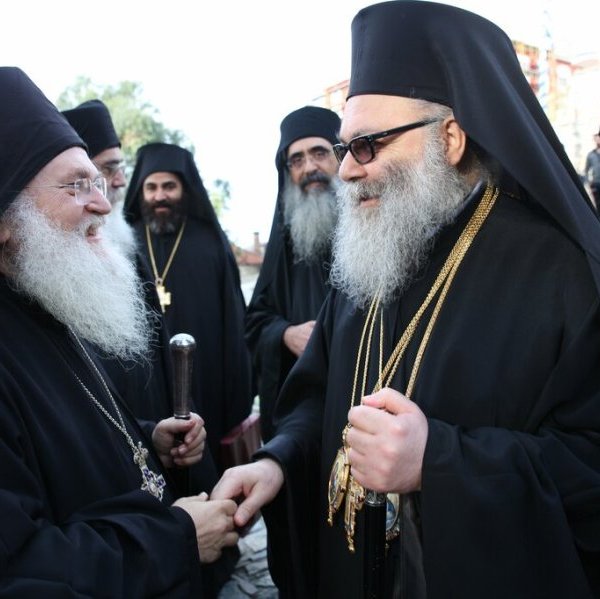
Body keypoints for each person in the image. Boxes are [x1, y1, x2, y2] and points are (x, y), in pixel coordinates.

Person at [212, 2, 600, 598]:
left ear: (450, 137)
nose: (346, 170)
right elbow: (318, 394)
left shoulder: (560, 271)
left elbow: (588, 465)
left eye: (368, 145)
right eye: (345, 147)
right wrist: (279, 461)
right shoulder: (371, 253)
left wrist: (438, 460)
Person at [0, 66, 238, 596]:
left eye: (99, 181)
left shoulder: (45, 300)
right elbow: (19, 570)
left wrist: (146, 438)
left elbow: (64, 437)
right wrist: (175, 538)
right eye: (76, 185)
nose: (104, 204)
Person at [62, 100, 237, 597]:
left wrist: (148, 434)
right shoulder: (61, 268)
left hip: (153, 431)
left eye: (118, 170)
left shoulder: (119, 244)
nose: (117, 185)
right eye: (104, 171)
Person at [123, 143, 253, 473]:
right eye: (151, 187)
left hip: (206, 380)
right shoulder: (126, 242)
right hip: (146, 385)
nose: (160, 196)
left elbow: (233, 320)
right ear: (141, 191)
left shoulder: (209, 242)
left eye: (169, 186)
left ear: (184, 189)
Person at [245, 106, 341, 441]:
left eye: (319, 153)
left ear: (342, 156)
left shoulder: (376, 226)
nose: (309, 167)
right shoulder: (285, 244)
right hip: (306, 418)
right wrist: (285, 334)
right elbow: (255, 321)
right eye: (296, 160)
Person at [584, 127, 600, 207]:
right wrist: (589, 183)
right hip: (596, 183)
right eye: (595, 138)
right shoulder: (590, 155)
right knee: (598, 205)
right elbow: (586, 170)